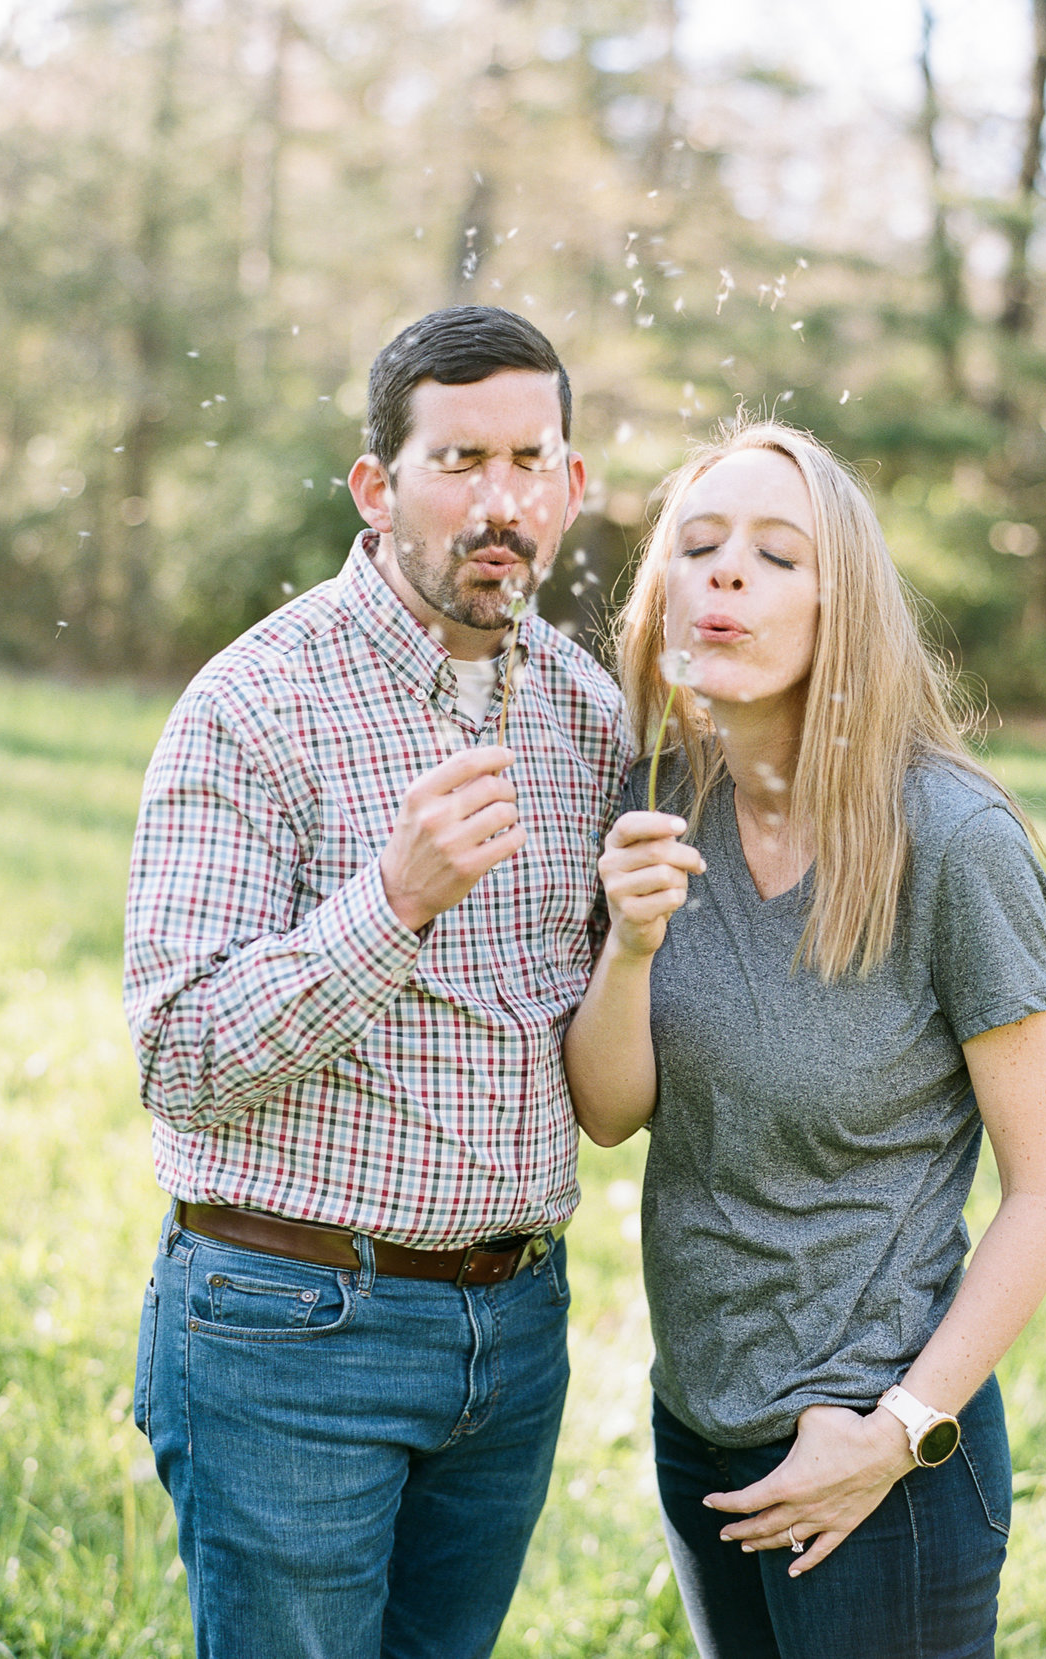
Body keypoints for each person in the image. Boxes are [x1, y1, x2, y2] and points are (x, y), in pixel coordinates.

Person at [123, 305, 633, 1658]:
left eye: (530, 460)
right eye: (459, 460)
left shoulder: (588, 715)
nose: (500, 500)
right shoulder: (256, 701)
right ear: (379, 485)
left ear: (573, 485)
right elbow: (179, 1053)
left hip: (513, 1328)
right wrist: (393, 900)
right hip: (292, 1328)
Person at [565, 419, 1046, 1657]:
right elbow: (608, 1112)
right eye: (696, 545)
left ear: (841, 605)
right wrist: (628, 948)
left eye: (775, 554)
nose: (726, 572)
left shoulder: (950, 843)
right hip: (698, 1425)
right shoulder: (653, 799)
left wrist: (898, 1428)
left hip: (875, 1457)